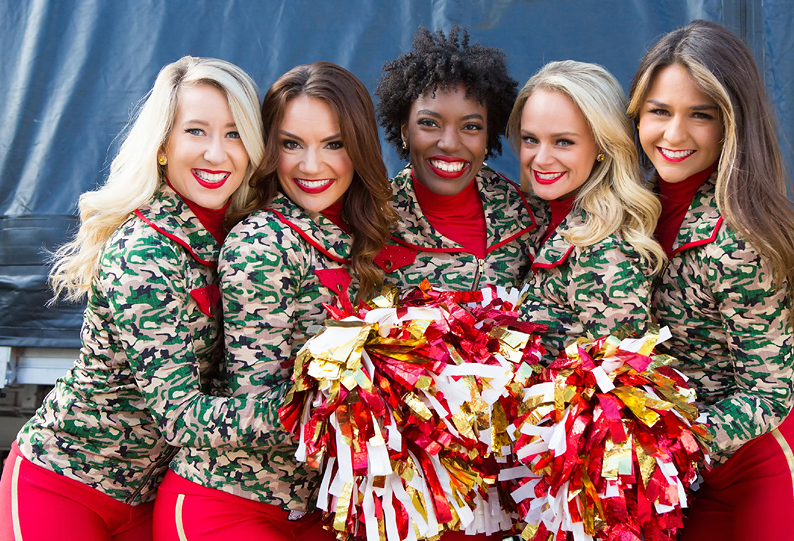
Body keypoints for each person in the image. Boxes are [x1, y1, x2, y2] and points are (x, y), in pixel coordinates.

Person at [0, 56, 266, 540]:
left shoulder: (247, 235)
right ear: (163, 145)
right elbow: (182, 417)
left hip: (147, 496)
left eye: (234, 133)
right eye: (196, 132)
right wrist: (314, 407)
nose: (217, 154)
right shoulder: (145, 250)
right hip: (63, 485)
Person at [628, 19, 794, 540]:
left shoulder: (738, 238)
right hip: (696, 476)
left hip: (781, 462)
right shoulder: (626, 219)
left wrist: (664, 447)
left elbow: (768, 389)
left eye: (701, 116)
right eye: (659, 111)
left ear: (733, 123)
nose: (673, 134)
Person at [153, 61, 394, 540]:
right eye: (291, 144)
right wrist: (377, 400)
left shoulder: (362, 234)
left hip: (316, 508)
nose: (310, 166)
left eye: (334, 144)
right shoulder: (263, 242)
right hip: (229, 502)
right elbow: (253, 400)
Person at [507, 60, 665, 357]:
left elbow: (624, 386)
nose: (540, 159)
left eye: (563, 142)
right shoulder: (533, 215)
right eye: (530, 139)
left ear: (604, 145)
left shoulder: (604, 252)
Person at [374, 25, 544, 293]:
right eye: (429, 123)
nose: (450, 144)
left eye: (471, 127)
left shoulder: (532, 219)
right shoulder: (370, 220)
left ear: (488, 136)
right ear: (405, 131)